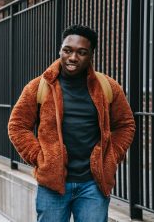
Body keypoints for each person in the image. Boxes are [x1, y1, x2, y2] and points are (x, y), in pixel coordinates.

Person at [8, 25, 135, 222]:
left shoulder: (108, 87)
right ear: (60, 50)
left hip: (93, 185)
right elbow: (17, 125)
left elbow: (126, 124)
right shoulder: (39, 86)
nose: (73, 57)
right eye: (67, 50)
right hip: (52, 185)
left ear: (91, 54)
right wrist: (40, 157)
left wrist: (111, 155)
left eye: (81, 52)